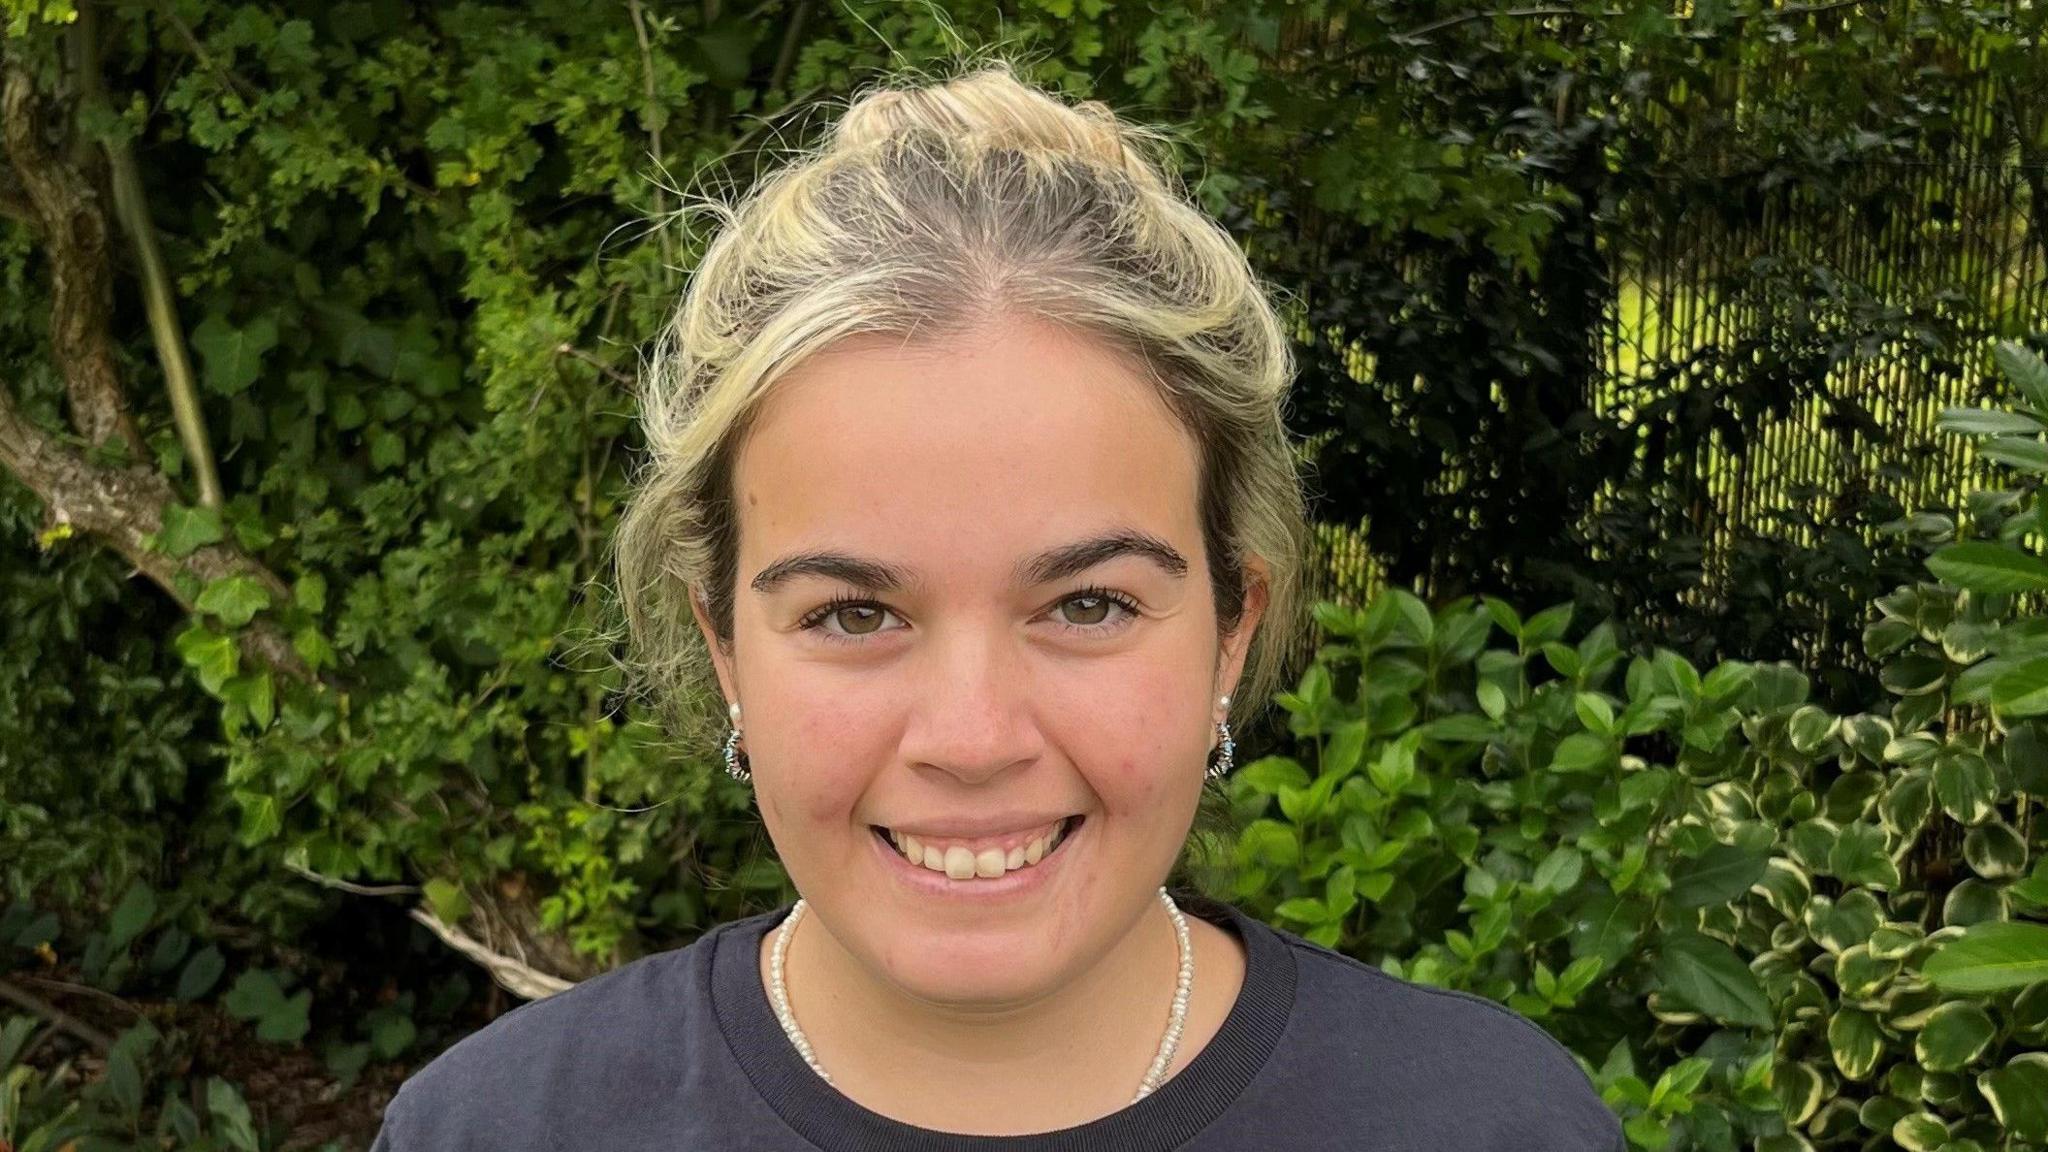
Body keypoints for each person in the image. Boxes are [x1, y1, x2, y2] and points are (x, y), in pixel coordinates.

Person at [371, 57, 1624, 1152]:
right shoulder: (493, 1130)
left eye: (1085, 605)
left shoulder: (1493, 1124)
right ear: (724, 649)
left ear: (1231, 631)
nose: (970, 741)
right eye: (853, 614)